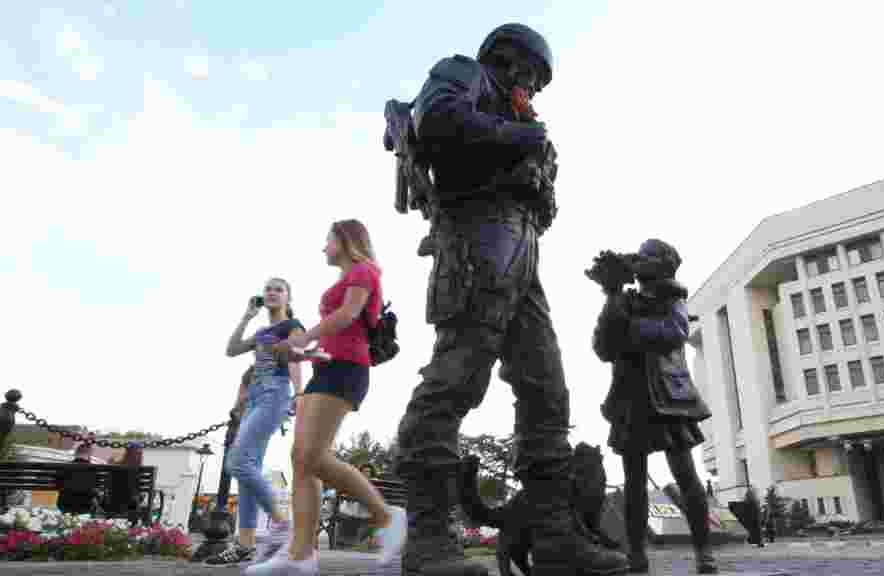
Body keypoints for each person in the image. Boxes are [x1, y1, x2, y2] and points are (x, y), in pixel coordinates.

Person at [390, 23, 629, 576]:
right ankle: (429, 540)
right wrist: (514, 139)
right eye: (535, 77)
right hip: (475, 242)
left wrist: (536, 165)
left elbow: (544, 205)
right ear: (512, 60)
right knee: (455, 380)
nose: (536, 90)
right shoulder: (464, 74)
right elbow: (437, 119)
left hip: (523, 252)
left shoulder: (523, 118)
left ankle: (553, 537)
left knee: (547, 389)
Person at [246, 219, 406, 576]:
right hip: (328, 367)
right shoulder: (345, 278)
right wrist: (309, 353)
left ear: (345, 240)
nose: (324, 247)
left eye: (328, 240)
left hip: (348, 370)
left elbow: (348, 315)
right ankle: (301, 555)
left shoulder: (364, 271)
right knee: (301, 460)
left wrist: (301, 340)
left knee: (312, 456)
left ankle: (386, 516)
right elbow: (339, 330)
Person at [592, 239, 717, 574]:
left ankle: (704, 551)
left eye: (645, 257)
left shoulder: (673, 297)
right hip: (630, 397)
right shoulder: (624, 300)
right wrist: (612, 293)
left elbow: (675, 331)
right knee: (633, 481)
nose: (637, 261)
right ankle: (636, 553)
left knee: (686, 474)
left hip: (668, 397)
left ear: (663, 264)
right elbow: (603, 346)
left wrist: (628, 332)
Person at [212, 278, 305, 566]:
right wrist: (247, 316)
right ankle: (245, 545)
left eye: (278, 289)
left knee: (238, 462)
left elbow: (295, 358)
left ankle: (282, 525)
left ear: (288, 297)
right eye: (268, 289)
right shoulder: (263, 330)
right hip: (255, 396)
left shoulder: (292, 326)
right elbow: (231, 349)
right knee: (246, 469)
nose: (272, 293)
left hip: (274, 394)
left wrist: (299, 392)